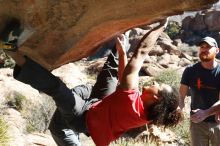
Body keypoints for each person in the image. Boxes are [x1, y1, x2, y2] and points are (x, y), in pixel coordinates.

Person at [2, 19, 182, 146]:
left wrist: (161, 25)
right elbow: (124, 79)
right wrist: (121, 52)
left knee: (58, 89)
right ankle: (122, 36)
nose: (155, 83)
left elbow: (141, 53)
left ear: (156, 97)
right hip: (100, 106)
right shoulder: (145, 112)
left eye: (158, 86)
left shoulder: (132, 104)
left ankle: (11, 50)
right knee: (113, 70)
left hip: (81, 118)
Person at [179, 36, 220, 146]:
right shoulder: (190, 71)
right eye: (202, 47)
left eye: (208, 47)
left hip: (218, 122)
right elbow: (181, 95)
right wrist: (179, 108)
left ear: (217, 50)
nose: (204, 49)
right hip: (197, 123)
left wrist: (206, 112)